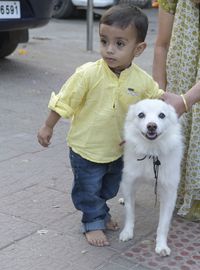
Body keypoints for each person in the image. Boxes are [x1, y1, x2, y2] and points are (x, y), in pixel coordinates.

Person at [37, 4, 194, 247]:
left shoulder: (141, 80)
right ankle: (92, 221)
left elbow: (158, 100)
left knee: (109, 187)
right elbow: (64, 102)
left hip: (117, 150)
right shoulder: (87, 74)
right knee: (88, 189)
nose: (109, 50)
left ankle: (102, 211)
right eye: (104, 41)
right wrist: (48, 126)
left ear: (139, 48)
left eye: (120, 44)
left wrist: (180, 104)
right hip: (86, 148)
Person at [153, 0, 200, 221]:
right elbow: (162, 45)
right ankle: (184, 192)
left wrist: (185, 101)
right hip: (181, 79)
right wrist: (159, 95)